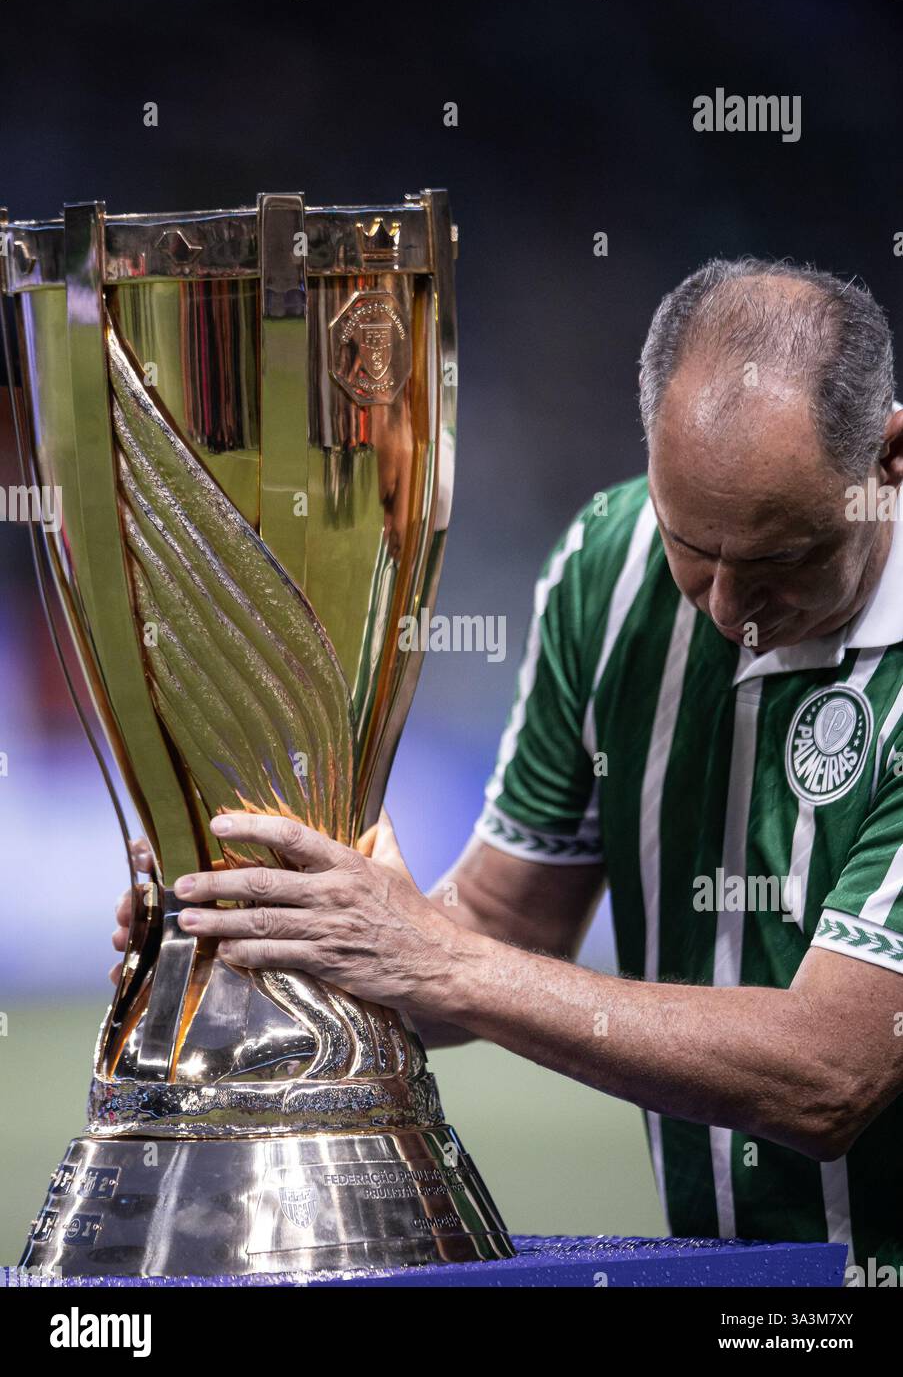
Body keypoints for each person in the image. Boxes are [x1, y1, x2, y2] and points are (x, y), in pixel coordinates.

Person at [113, 259, 903, 1267]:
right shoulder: (607, 569)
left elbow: (831, 1071)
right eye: (693, 545)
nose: (727, 609)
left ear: (889, 460)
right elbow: (501, 927)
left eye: (784, 558)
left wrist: (441, 958)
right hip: (747, 1278)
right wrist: (273, 933)